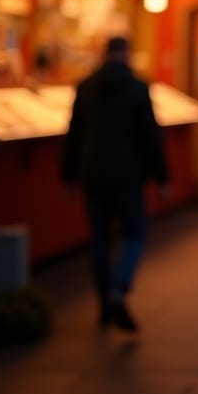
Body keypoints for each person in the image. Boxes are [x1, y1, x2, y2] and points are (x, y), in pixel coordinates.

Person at [62, 36, 169, 332]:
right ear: (126, 55)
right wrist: (161, 177)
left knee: (99, 238)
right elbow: (151, 136)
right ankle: (119, 290)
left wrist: (68, 177)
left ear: (104, 54)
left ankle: (103, 305)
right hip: (127, 176)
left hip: (92, 175)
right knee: (135, 234)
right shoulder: (137, 89)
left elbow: (74, 134)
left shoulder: (85, 88)